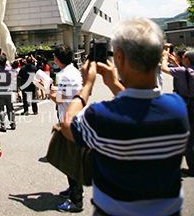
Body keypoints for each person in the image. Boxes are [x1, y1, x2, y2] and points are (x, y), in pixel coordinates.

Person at [62, 17, 189, 216]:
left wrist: (86, 86)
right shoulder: (178, 109)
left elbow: (67, 125)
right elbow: (138, 106)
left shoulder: (101, 116)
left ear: (119, 56)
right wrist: (114, 84)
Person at [48, 45, 83, 212]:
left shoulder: (63, 76)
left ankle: (76, 200)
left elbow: (59, 100)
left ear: (57, 59)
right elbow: (67, 93)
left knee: (71, 160)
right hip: (77, 118)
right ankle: (74, 190)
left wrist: (47, 90)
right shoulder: (73, 71)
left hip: (69, 121)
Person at [161, 46, 194, 176]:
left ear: (187, 59)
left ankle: (192, 168)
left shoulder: (182, 71)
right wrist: (175, 62)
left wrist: (164, 58)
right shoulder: (186, 71)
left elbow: (164, 69)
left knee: (189, 137)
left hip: (188, 105)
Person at [0, 54, 15, 132]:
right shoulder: (9, 69)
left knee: (1, 109)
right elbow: (8, 65)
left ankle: (3, 125)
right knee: (10, 108)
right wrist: (4, 62)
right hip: (8, 90)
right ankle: (12, 123)